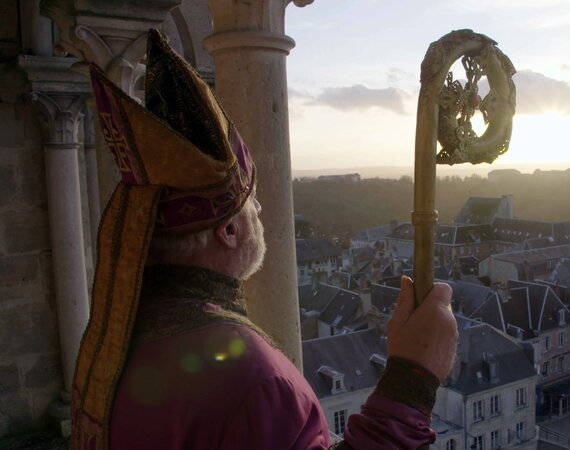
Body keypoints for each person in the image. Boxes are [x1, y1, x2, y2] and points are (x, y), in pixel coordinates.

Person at [71, 29, 457, 450]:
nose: (261, 211)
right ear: (230, 231)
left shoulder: (118, 339)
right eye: (251, 203)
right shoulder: (254, 378)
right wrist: (411, 378)